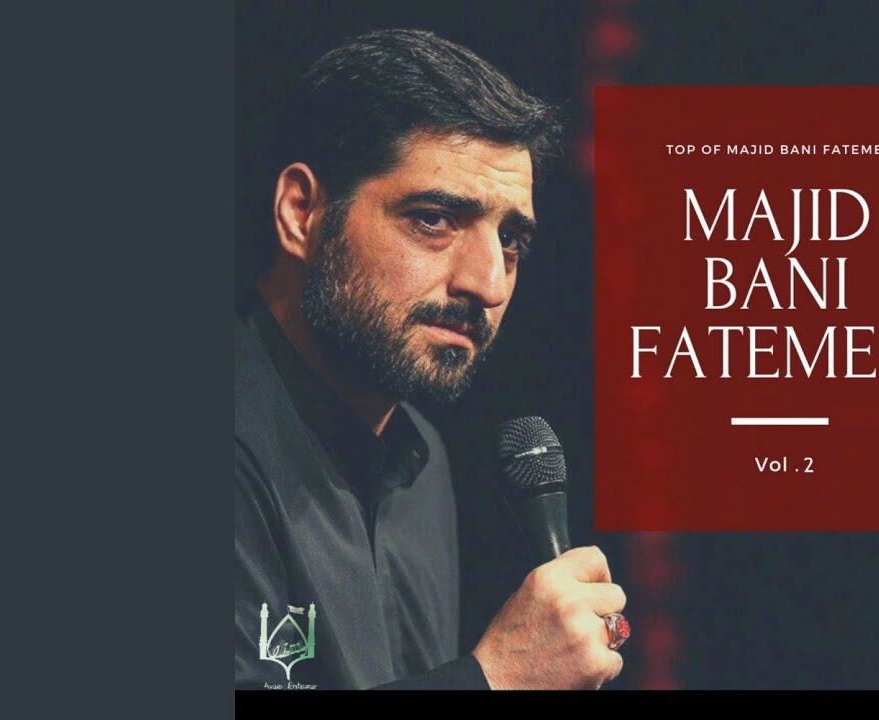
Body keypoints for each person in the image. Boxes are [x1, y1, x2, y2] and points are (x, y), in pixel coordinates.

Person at [234, 29, 627, 690]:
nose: (489, 284)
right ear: (301, 212)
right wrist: (495, 679)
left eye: (511, 239)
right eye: (435, 219)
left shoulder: (423, 461)